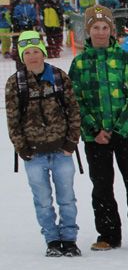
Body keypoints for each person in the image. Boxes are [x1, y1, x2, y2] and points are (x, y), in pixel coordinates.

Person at [69, 5, 128, 252]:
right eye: (95, 27)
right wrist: (94, 129)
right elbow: (75, 99)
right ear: (88, 31)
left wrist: (118, 128)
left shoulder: (124, 58)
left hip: (125, 133)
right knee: (102, 186)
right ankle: (108, 234)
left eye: (104, 27)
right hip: (95, 137)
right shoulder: (80, 63)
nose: (100, 32)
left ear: (111, 30)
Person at [5, 31, 82, 257]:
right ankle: (52, 239)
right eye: (27, 53)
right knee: (43, 200)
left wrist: (71, 142)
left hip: (61, 151)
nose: (32, 56)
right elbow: (13, 120)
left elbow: (73, 110)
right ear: (22, 56)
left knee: (67, 199)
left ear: (43, 52)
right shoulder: (15, 83)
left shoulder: (58, 77)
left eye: (35, 51)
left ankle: (69, 238)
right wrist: (22, 148)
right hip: (34, 154)